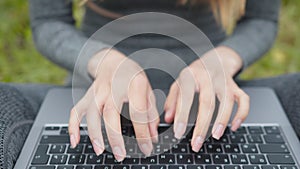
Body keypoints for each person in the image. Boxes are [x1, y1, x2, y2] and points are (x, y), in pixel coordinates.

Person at [1, 0, 299, 168]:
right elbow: (49, 21)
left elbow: (261, 19)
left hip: (213, 101)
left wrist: (222, 60)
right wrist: (103, 61)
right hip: (94, 96)